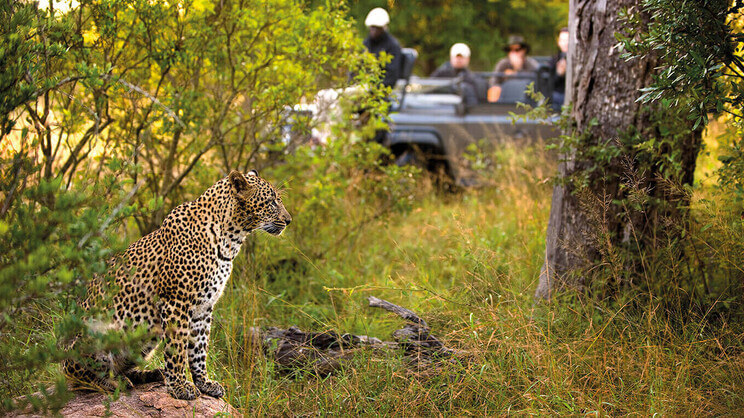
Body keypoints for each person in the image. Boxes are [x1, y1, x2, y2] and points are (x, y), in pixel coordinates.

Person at [487, 35, 540, 102]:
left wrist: (517, 72)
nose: (513, 53)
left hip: (526, 99)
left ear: (524, 50)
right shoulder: (502, 64)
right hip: (505, 99)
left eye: (517, 50)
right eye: (510, 50)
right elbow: (493, 82)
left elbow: (537, 82)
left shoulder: (531, 64)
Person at [363, 7, 402, 89]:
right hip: (363, 87)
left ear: (383, 28)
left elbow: (391, 76)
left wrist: (373, 87)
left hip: (380, 91)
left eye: (377, 27)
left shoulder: (392, 46)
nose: (374, 30)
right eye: (372, 27)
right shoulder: (366, 44)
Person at [550, 27, 569, 107]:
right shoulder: (554, 60)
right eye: (562, 40)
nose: (565, 43)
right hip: (557, 96)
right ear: (559, 42)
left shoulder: (579, 60)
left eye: (567, 40)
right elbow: (549, 85)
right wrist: (558, 74)